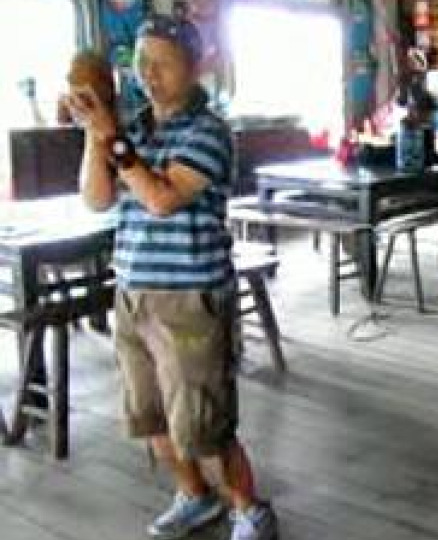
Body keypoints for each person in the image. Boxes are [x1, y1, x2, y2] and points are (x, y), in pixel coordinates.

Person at [66, 15, 278, 540]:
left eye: (162, 64)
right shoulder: (133, 127)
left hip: (190, 298)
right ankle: (194, 495)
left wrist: (113, 140)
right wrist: (96, 135)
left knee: (204, 426)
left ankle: (250, 509)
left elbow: (161, 198)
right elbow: (96, 199)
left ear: (196, 66)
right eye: (142, 63)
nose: (149, 74)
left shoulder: (209, 131)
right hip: (132, 292)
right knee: (151, 417)